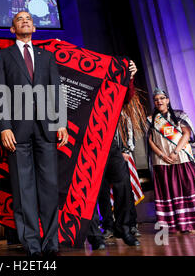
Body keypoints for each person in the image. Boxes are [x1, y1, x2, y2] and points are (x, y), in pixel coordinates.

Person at [0, 11, 68, 256]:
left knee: (49, 186)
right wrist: (3, 126)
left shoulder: (46, 56)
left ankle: (51, 243)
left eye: (29, 19)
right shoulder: (3, 56)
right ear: (12, 29)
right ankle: (32, 245)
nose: (25, 21)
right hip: (17, 130)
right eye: (19, 19)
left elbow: (55, 89)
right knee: (23, 189)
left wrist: (62, 123)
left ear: (34, 27)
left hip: (46, 128)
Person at [86, 60, 141, 249]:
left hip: (111, 146)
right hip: (87, 148)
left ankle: (124, 229)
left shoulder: (109, 88)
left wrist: (130, 76)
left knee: (124, 185)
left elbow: (126, 97)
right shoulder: (79, 87)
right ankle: (96, 236)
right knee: (92, 193)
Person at [148, 88, 195, 234]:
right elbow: (150, 141)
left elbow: (187, 134)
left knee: (188, 188)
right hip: (162, 162)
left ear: (167, 100)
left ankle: (193, 223)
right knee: (168, 191)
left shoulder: (179, 115)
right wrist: (163, 156)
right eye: (156, 99)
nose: (159, 101)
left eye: (162, 98)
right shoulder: (151, 119)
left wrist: (175, 152)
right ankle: (173, 225)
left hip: (181, 157)